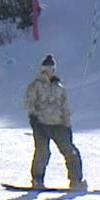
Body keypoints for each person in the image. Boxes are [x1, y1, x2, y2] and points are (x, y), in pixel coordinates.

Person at [25, 54, 86, 190]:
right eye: (48, 69)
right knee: (43, 152)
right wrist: (33, 119)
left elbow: (65, 107)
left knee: (70, 151)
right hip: (41, 124)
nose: (51, 71)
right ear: (43, 70)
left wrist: (67, 124)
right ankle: (37, 179)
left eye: (53, 68)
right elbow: (29, 103)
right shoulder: (36, 86)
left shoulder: (59, 87)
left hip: (58, 125)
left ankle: (76, 180)